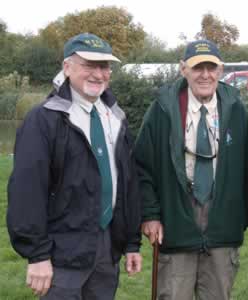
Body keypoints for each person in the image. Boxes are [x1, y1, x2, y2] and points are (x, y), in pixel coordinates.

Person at [7, 33, 142, 299]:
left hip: (106, 249)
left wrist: (131, 243)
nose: (98, 74)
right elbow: (27, 192)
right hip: (62, 252)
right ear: (67, 68)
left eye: (104, 66)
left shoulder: (116, 117)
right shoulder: (44, 120)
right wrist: (37, 255)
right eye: (89, 65)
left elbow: (128, 184)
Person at [134, 39, 248, 300]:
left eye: (212, 67)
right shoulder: (162, 110)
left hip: (222, 228)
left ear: (221, 70)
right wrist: (151, 214)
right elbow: (142, 166)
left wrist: (241, 219)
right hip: (176, 225)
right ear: (183, 69)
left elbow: (247, 169)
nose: (205, 75)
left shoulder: (237, 110)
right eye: (198, 67)